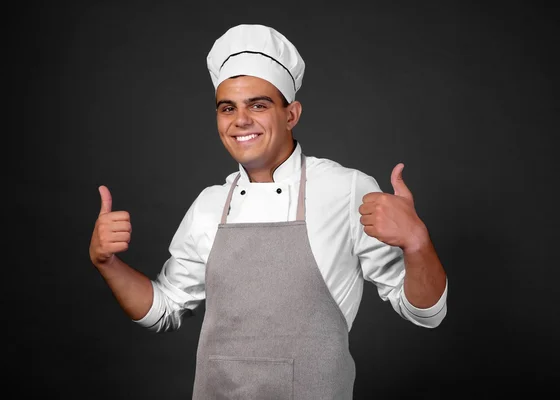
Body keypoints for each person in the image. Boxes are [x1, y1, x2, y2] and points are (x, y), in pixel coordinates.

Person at [89, 24, 448, 399]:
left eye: (257, 105)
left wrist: (417, 243)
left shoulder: (346, 190)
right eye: (228, 108)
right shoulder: (210, 204)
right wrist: (107, 263)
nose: (240, 120)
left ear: (291, 114)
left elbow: (425, 313)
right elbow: (164, 309)